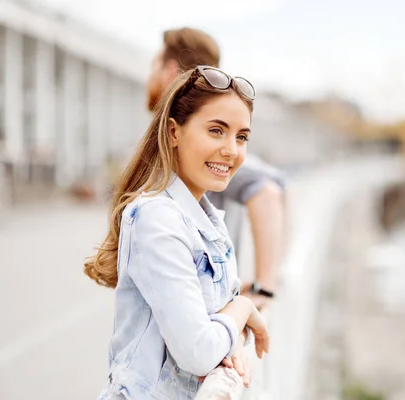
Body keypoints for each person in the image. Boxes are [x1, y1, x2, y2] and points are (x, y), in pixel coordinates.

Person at [85, 66, 269, 399]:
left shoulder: (207, 220)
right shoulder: (157, 218)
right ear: (173, 132)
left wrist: (231, 339)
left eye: (241, 137)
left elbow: (211, 328)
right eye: (216, 131)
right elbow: (198, 351)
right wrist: (243, 309)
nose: (232, 150)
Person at [146, 28, 286, 310]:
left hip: (205, 320)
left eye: (240, 137)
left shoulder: (198, 147)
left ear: (169, 70)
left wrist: (263, 289)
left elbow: (269, 191)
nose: (232, 149)